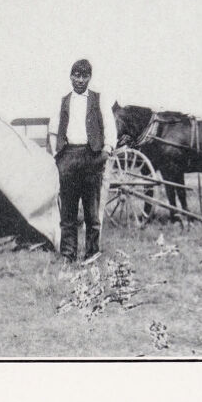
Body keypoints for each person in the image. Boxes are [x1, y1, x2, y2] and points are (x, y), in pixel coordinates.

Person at [51, 59, 117, 263]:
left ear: (90, 77)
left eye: (84, 76)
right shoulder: (63, 100)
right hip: (69, 156)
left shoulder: (99, 99)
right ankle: (68, 254)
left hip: (92, 157)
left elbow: (109, 125)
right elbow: (53, 129)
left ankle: (92, 253)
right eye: (76, 75)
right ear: (70, 76)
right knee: (68, 212)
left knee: (91, 210)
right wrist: (58, 156)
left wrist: (106, 151)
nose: (80, 80)